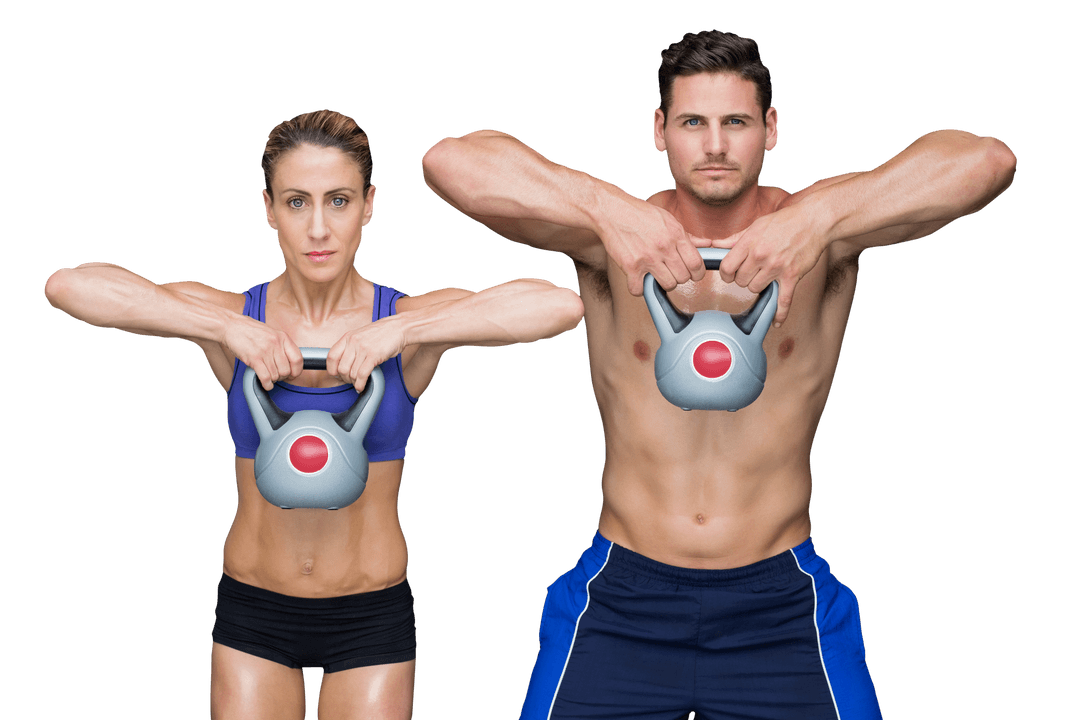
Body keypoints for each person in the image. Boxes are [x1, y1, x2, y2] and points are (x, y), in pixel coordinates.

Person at [422, 29, 1016, 720]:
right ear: (659, 131)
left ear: (769, 129)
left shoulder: (824, 231)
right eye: (692, 123)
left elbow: (986, 160)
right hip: (623, 597)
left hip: (780, 601)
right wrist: (606, 206)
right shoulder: (609, 236)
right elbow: (449, 162)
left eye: (735, 122)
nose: (713, 145)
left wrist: (817, 217)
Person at [43, 108, 584, 720]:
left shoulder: (406, 323)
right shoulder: (234, 318)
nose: (319, 227)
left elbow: (557, 304)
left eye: (339, 200)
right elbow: (70, 285)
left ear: (369, 206)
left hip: (370, 614)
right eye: (297, 202)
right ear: (269, 209)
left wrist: (402, 329)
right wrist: (224, 326)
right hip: (255, 610)